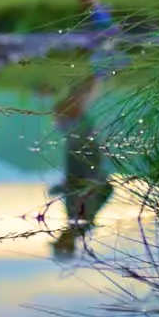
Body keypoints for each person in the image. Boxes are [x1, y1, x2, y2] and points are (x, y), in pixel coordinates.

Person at [47, 70, 114, 260]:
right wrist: (87, 181)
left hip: (80, 157)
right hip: (85, 157)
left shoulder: (76, 223)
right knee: (67, 112)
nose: (58, 237)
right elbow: (100, 190)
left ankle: (94, 76)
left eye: (58, 241)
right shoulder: (81, 223)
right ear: (68, 244)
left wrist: (62, 188)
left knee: (67, 111)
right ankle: (99, 75)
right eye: (61, 242)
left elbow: (91, 191)